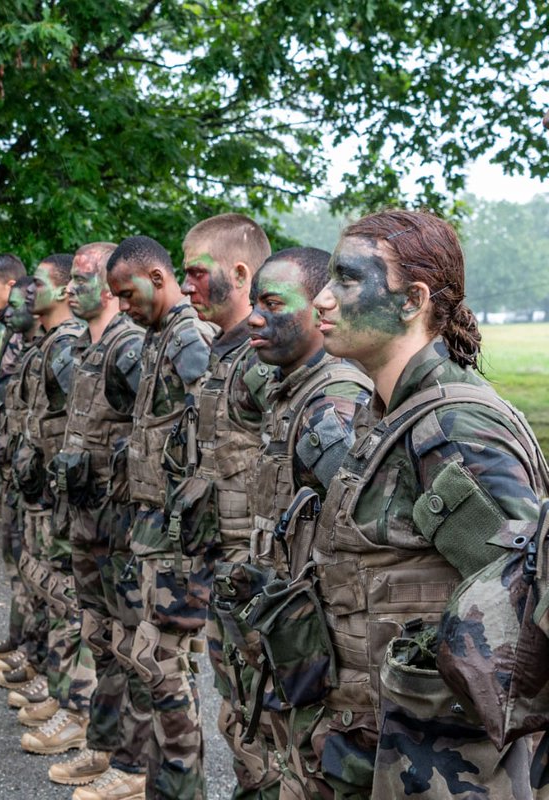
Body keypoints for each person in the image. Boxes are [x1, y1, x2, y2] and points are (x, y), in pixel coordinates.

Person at [297, 209, 547, 798]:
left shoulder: (451, 430)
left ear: (412, 300)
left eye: (347, 280)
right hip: (374, 748)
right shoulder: (393, 415)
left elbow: (526, 608)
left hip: (438, 768)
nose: (323, 300)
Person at [210, 248, 371, 797]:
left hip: (318, 645)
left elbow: (362, 541)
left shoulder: (333, 404)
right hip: (280, 626)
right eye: (254, 303)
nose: (255, 318)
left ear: (320, 308)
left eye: (273, 304)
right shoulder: (289, 390)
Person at [73, 235, 216, 800]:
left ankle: (175, 785)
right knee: (151, 661)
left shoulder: (187, 339)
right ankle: (155, 780)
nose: (122, 304)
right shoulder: (157, 337)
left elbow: (214, 432)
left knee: (165, 667)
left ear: (158, 278)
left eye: (128, 293)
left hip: (177, 535)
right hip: (148, 530)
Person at [26, 243, 144, 774]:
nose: (72, 288)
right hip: (85, 515)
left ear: (112, 286)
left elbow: (155, 431)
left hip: (120, 522)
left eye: (82, 278)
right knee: (98, 634)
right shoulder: (85, 347)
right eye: (70, 279)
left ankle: (129, 761)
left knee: (130, 643)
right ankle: (100, 743)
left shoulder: (127, 347)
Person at [176, 213, 276, 798]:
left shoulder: (264, 362)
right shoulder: (223, 352)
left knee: (260, 724)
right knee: (237, 717)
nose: (185, 285)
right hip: (226, 570)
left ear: (240, 274)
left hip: (258, 577)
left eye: (196, 272)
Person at [8, 255, 98, 732]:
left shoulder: (66, 346)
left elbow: (74, 426)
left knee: (67, 596)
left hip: (63, 493)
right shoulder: (55, 343)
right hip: (46, 489)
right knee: (48, 586)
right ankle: (60, 689)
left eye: (38, 283)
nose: (28, 293)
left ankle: (72, 703)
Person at [0, 254, 37, 674]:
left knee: (28, 556)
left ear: (13, 286)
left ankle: (31, 646)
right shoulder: (12, 329)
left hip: (25, 462)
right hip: (12, 461)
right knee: (14, 551)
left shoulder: (30, 334)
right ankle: (21, 637)